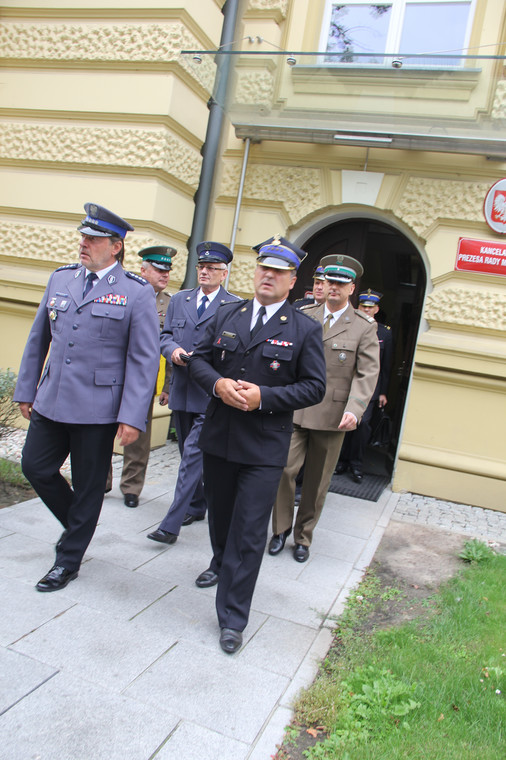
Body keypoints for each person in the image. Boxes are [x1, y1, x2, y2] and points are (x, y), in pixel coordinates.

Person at [188, 235, 326, 654]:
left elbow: (314, 387)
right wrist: (218, 383)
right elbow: (197, 359)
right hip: (219, 440)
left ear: (292, 281)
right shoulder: (229, 314)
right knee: (221, 524)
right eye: (264, 268)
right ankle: (221, 564)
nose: (268, 276)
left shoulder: (304, 328)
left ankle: (232, 617)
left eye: (278, 271)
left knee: (248, 534)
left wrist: (263, 397)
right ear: (256, 272)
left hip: (264, 449)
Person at [13, 203, 160, 592]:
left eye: (93, 239)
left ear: (116, 247)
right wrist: (27, 389)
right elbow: (37, 340)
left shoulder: (136, 292)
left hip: (98, 409)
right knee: (36, 467)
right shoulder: (60, 279)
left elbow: (143, 360)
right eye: (83, 237)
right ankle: (78, 527)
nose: (84, 244)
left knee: (89, 485)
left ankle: (69, 558)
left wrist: (132, 417)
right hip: (51, 399)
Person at [268, 255, 380, 563]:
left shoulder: (363, 327)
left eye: (341, 284)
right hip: (295, 409)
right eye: (330, 282)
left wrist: (355, 409)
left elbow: (367, 373)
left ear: (351, 288)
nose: (333, 288)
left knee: (317, 482)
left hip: (333, 416)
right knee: (283, 470)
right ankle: (279, 529)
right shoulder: (303, 314)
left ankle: (303, 537)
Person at [147, 242, 239, 545]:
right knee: (188, 452)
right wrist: (172, 351)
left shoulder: (233, 306)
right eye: (201, 267)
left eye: (212, 268)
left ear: (223, 274)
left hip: (210, 394)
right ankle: (199, 505)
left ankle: (170, 524)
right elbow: (165, 336)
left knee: (190, 460)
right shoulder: (180, 300)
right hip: (182, 391)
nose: (205, 272)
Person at [107, 246, 175, 507]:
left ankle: (132, 487)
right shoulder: (124, 292)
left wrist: (168, 385)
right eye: (159, 270)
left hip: (144, 380)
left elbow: (170, 346)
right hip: (112, 374)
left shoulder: (170, 304)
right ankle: (101, 479)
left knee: (139, 434)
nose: (165, 275)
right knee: (103, 429)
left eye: (167, 271)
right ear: (143, 270)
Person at [336, 289, 393, 482]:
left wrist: (383, 392)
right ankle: (340, 461)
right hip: (346, 386)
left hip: (370, 390)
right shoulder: (350, 326)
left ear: (376, 309)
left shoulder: (384, 332)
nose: (366, 310)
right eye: (363, 306)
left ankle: (356, 464)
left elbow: (386, 366)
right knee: (342, 423)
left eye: (370, 308)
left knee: (362, 427)